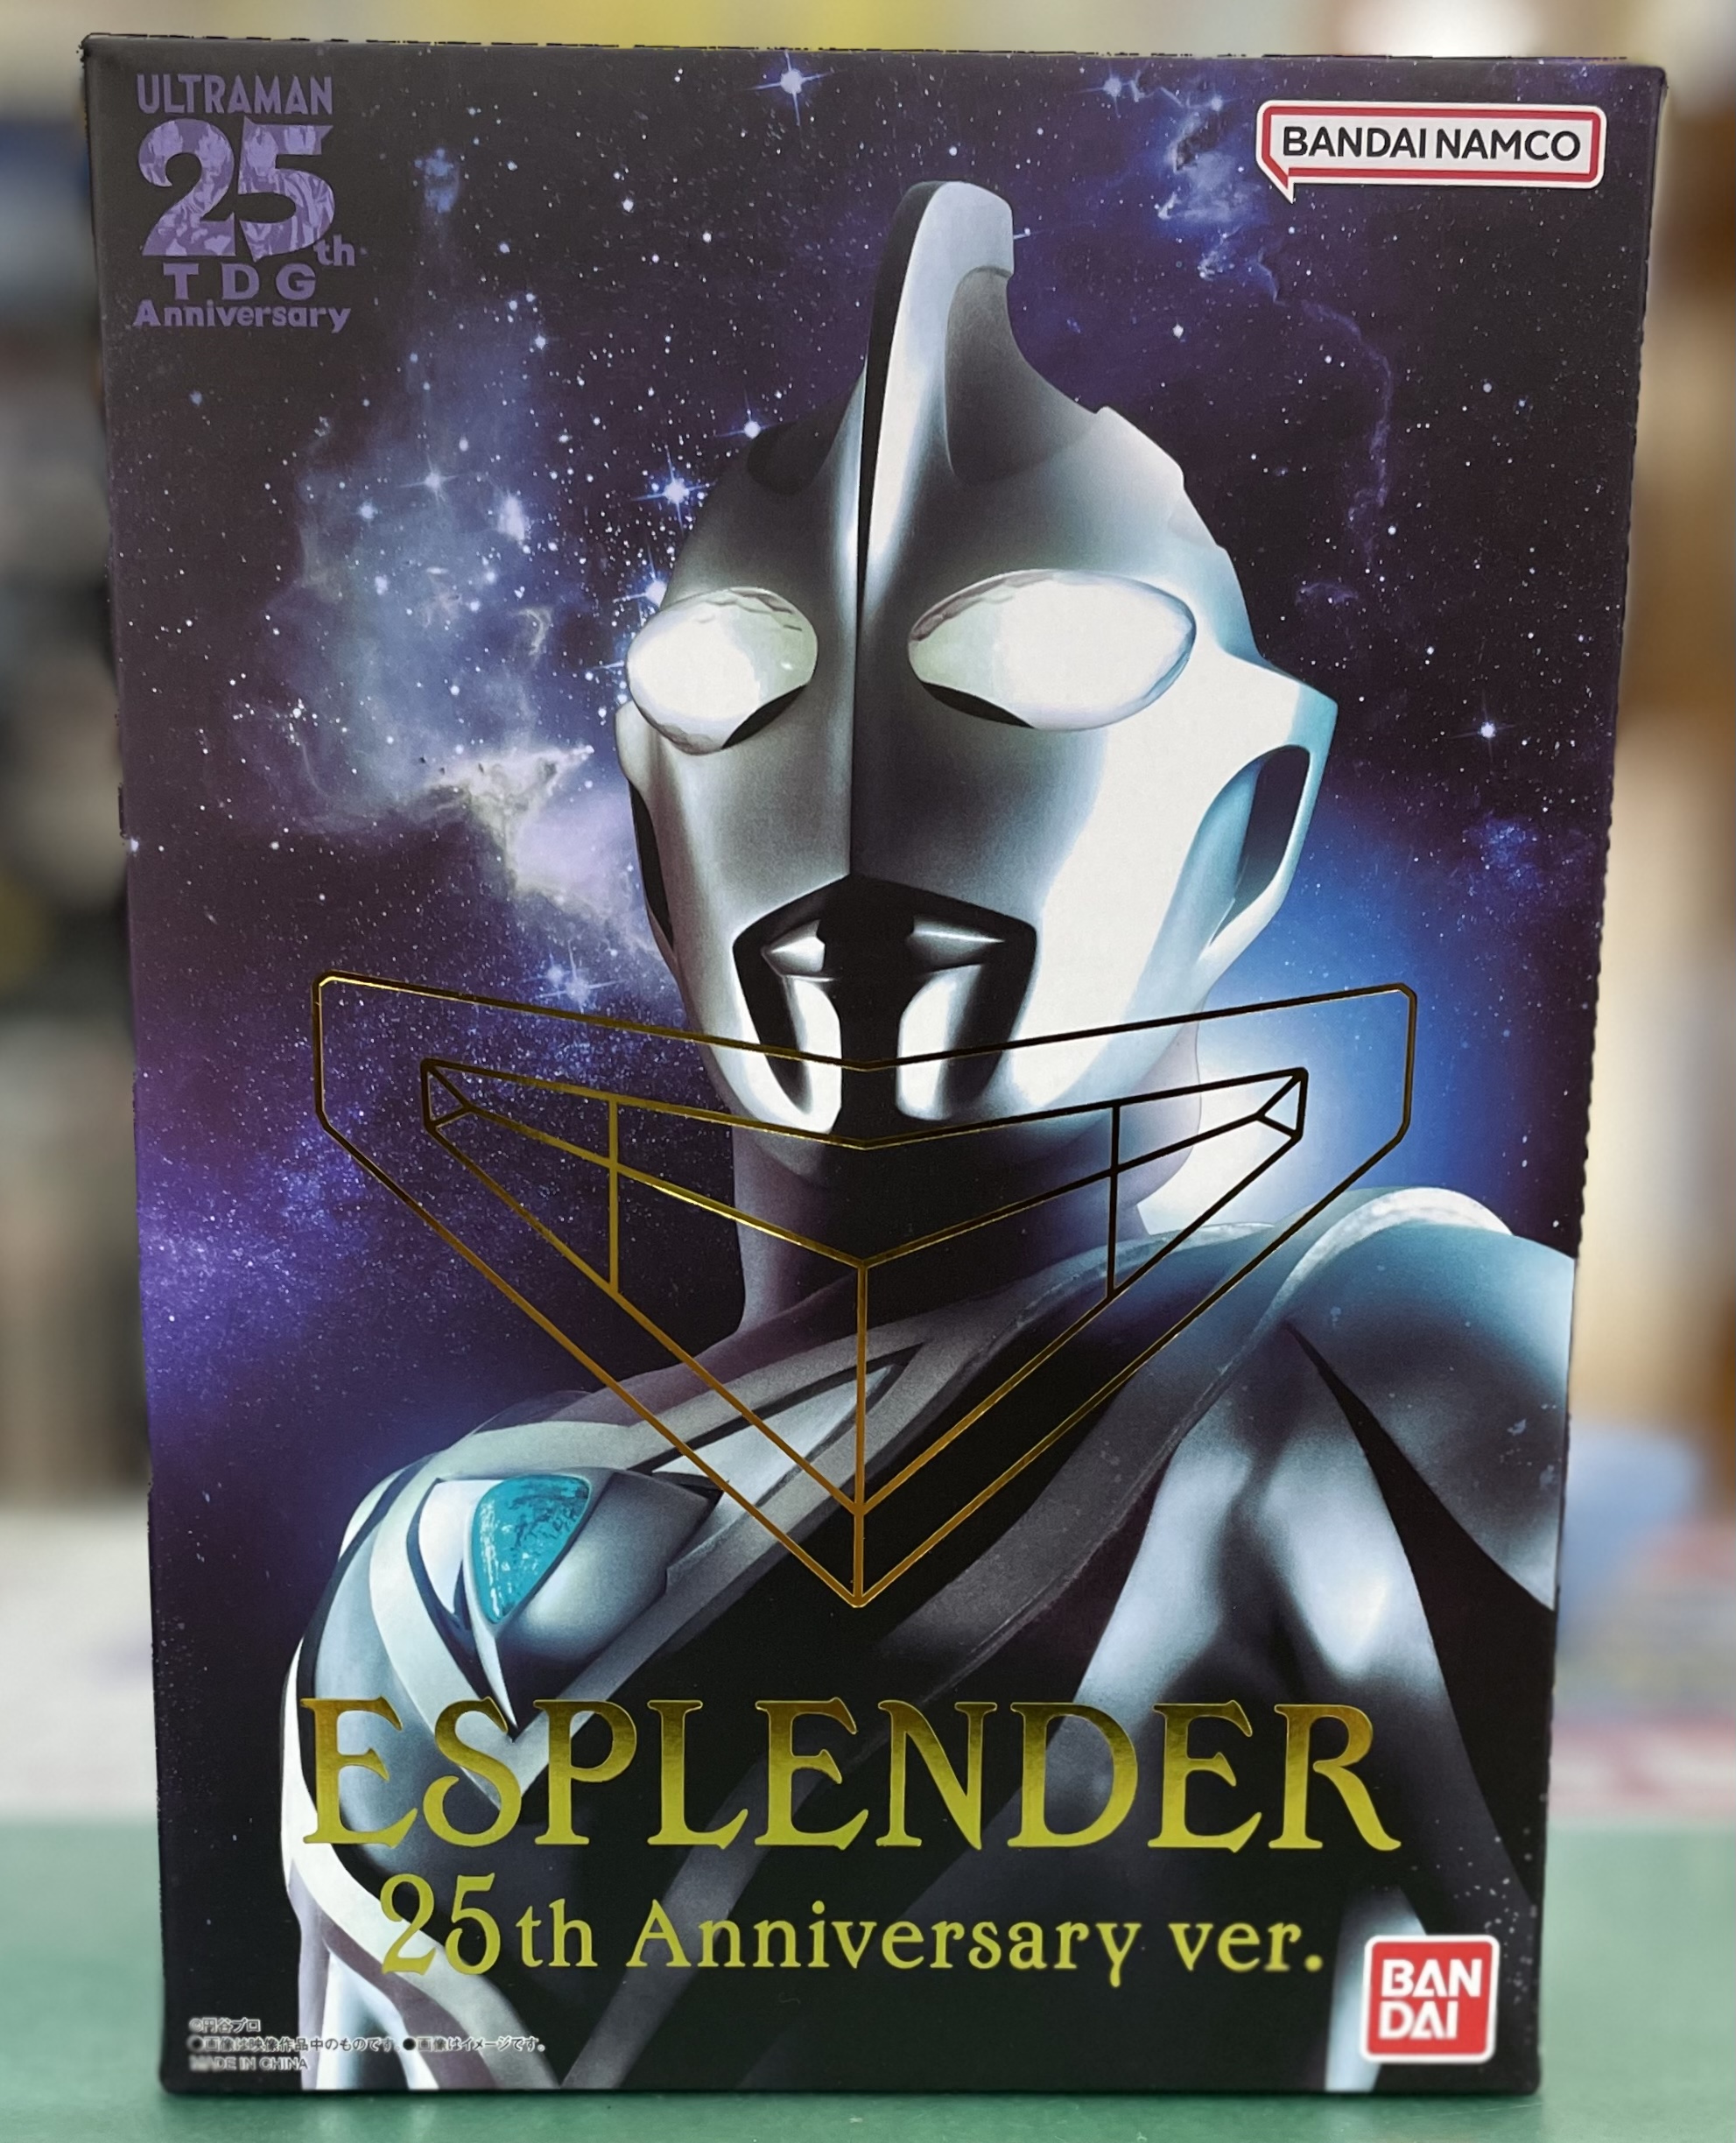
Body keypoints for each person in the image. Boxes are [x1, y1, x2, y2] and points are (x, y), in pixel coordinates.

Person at [285, 181, 1567, 2093]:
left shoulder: (1395, 1362)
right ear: (653, 839)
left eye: (1038, 665)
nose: (864, 787)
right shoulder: (438, 1543)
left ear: (1251, 817)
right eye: (738, 687)